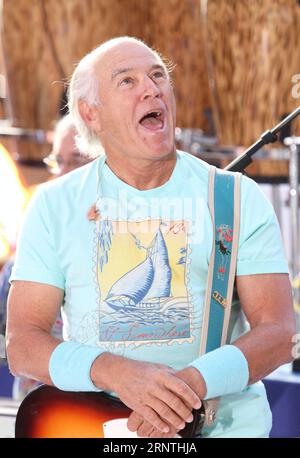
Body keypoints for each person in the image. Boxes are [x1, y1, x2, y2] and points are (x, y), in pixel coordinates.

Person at [6, 36, 295, 438]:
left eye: (158, 75)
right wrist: (118, 374)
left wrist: (187, 389)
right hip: (97, 427)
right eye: (127, 80)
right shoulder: (54, 205)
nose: (152, 87)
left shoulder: (236, 198)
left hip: (222, 427)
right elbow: (23, 344)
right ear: (91, 114)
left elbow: (279, 333)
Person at [0, 114, 94, 400]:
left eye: (77, 161)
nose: (63, 174)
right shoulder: (37, 234)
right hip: (41, 409)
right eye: (58, 161)